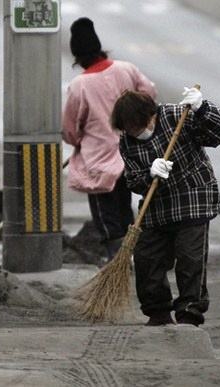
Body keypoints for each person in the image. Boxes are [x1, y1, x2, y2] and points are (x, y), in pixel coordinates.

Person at [112, 87, 220, 326]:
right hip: (158, 206)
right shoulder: (127, 142)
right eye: (129, 129)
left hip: (193, 199)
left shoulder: (178, 116)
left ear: (150, 116)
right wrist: (149, 173)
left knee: (190, 260)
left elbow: (218, 134)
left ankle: (189, 312)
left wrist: (202, 108)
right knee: (147, 258)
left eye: (137, 126)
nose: (135, 133)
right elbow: (133, 180)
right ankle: (157, 311)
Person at [62, 17, 157, 261]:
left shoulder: (79, 86)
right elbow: (149, 95)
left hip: (99, 162)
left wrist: (78, 141)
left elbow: (70, 131)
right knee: (126, 208)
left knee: (106, 216)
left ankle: (116, 259)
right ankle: (134, 255)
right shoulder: (127, 69)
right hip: (131, 156)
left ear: (77, 57)